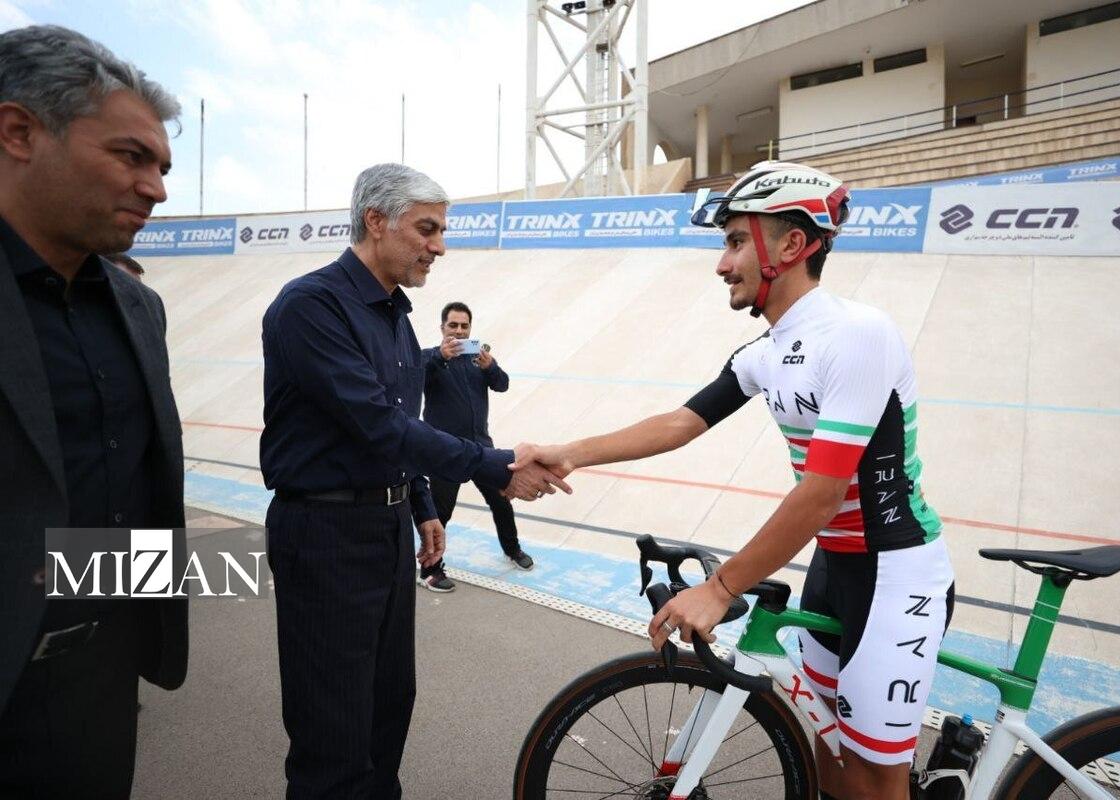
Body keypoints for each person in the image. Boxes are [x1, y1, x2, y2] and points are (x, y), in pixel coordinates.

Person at [514, 162, 954, 800]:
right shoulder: (766, 351)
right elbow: (679, 422)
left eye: (736, 241)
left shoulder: (857, 334)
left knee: (876, 777)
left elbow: (823, 491)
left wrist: (721, 588)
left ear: (793, 245)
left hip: (896, 573)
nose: (722, 264)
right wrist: (571, 453)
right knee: (832, 757)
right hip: (836, 566)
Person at [260, 162, 569, 800]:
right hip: (325, 533)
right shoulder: (310, 306)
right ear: (376, 220)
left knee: (387, 708)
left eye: (442, 230)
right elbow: (375, 424)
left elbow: (403, 421)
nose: (440, 246)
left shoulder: (396, 317)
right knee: (334, 730)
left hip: (385, 527)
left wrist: (421, 503)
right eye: (427, 229)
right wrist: (495, 463)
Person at [0, 25, 188, 799]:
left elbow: (126, 499)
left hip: (99, 696)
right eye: (130, 156)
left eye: (163, 166)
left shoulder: (140, 311)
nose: (157, 188)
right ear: (19, 132)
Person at [418, 302, 533, 592]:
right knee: (439, 513)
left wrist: (491, 366)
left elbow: (503, 384)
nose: (458, 330)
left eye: (464, 326)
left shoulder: (476, 360)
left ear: (470, 328)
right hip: (445, 452)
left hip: (481, 448)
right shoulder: (429, 358)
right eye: (453, 325)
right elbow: (415, 375)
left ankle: (512, 549)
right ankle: (429, 569)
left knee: (501, 501)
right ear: (442, 328)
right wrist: (438, 357)